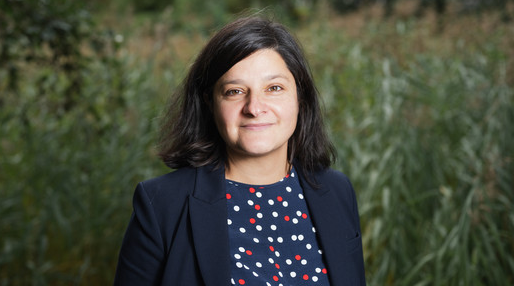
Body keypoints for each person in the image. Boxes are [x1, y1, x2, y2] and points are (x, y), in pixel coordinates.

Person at [114, 16, 366, 286]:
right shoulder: (162, 204)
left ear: (300, 98)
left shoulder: (337, 192)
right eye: (234, 91)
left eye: (274, 88)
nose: (254, 108)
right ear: (210, 102)